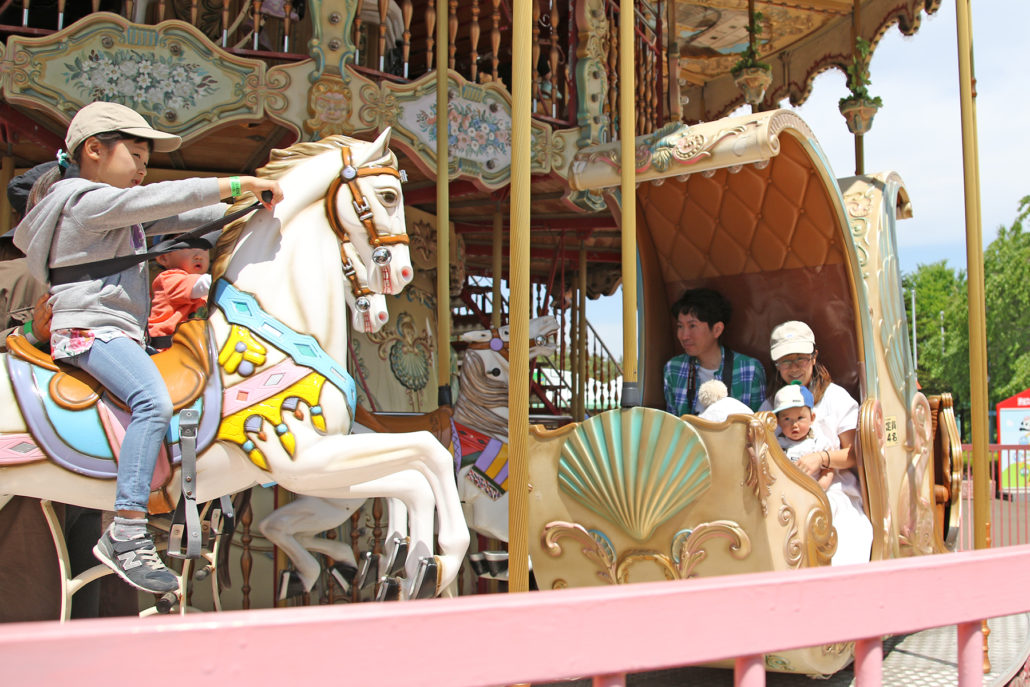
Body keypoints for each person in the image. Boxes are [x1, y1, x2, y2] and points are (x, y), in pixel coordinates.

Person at [13, 100, 284, 594]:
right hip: (92, 330)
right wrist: (238, 184)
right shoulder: (84, 200)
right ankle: (127, 531)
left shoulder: (110, 210)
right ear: (93, 150)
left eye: (144, 157)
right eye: (134, 153)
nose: (142, 166)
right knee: (152, 400)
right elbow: (162, 200)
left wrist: (242, 212)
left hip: (116, 332)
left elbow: (181, 214)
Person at [760, 320, 873, 566]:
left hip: (832, 491)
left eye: (800, 358)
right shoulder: (770, 406)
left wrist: (821, 458)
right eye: (785, 362)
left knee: (843, 540)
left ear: (814, 357)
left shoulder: (836, 398)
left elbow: (853, 454)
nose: (794, 368)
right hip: (784, 496)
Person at [663, 288, 766, 416]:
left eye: (692, 326)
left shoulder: (750, 369)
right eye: (680, 326)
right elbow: (673, 424)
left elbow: (758, 427)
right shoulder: (673, 368)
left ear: (717, 329)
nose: (684, 336)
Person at [148, 240, 212, 347]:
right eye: (188, 247)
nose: (199, 256)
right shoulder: (168, 279)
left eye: (204, 248)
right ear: (164, 257)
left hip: (196, 348)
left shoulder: (207, 290)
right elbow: (205, 284)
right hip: (167, 349)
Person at [773, 381, 834, 491]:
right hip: (783, 492)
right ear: (778, 422)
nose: (794, 425)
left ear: (812, 418)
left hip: (810, 492)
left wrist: (820, 487)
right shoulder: (776, 444)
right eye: (787, 419)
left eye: (800, 418)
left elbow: (828, 470)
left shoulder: (818, 443)